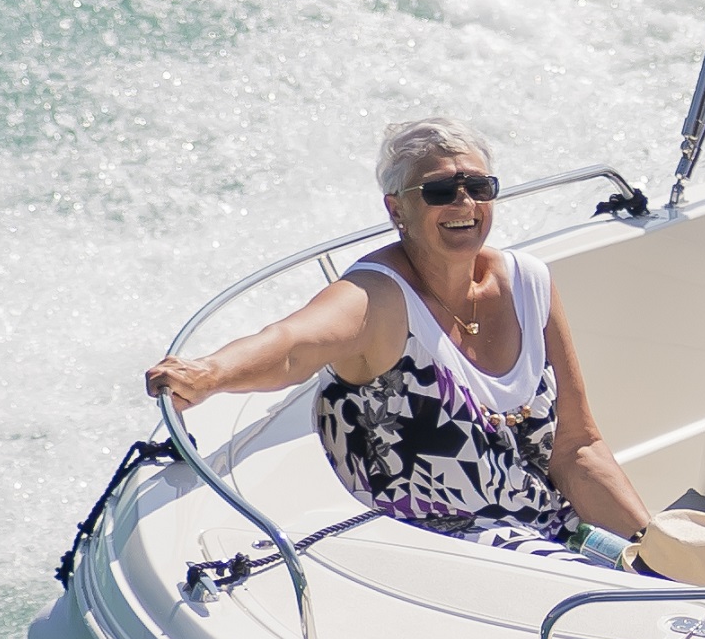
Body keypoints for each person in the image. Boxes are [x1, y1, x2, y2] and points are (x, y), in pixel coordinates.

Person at [141, 116, 676, 565]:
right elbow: (291, 345)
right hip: (438, 553)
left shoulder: (529, 283)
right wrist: (209, 375)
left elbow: (577, 449)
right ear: (396, 209)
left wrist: (656, 554)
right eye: (440, 191)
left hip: (550, 534)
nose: (463, 202)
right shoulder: (379, 298)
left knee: (685, 578)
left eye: (479, 187)